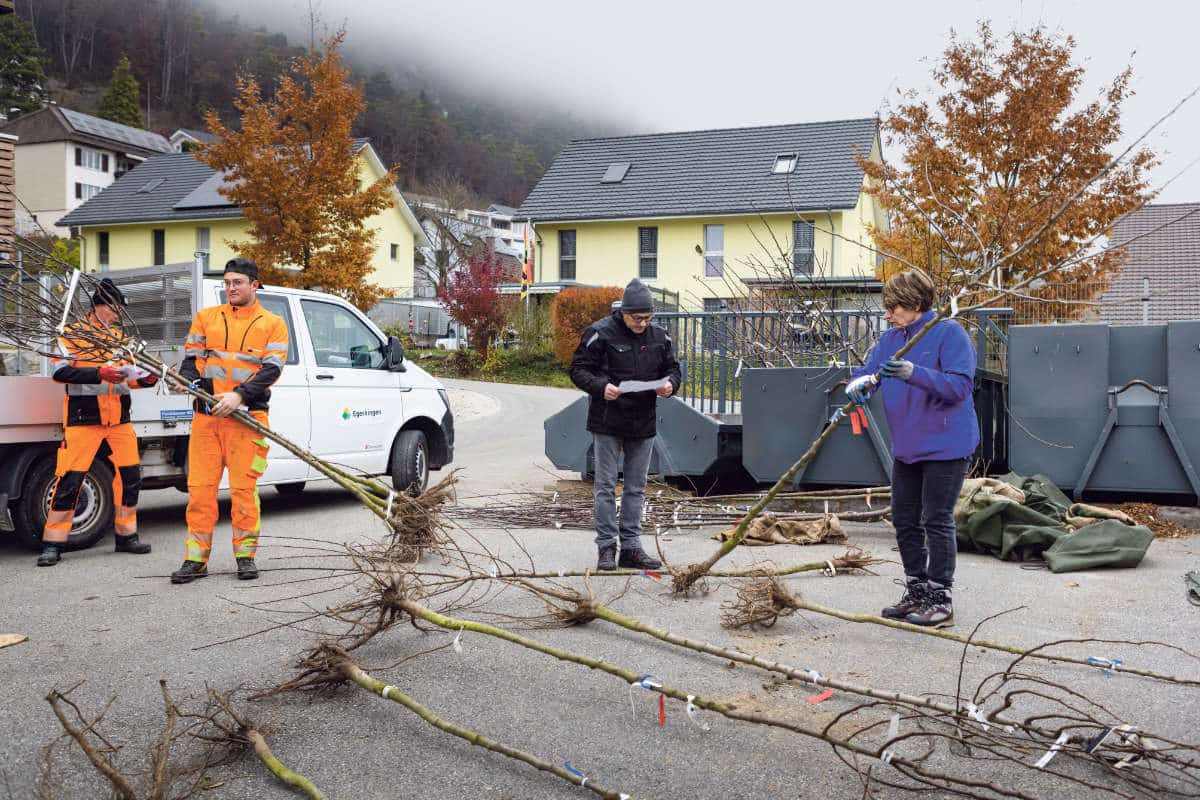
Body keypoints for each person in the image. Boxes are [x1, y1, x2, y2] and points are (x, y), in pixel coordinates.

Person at [846, 270, 978, 627]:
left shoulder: (949, 333)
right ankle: (917, 590)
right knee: (904, 519)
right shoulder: (891, 339)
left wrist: (913, 373)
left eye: (894, 308)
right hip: (907, 445)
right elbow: (872, 373)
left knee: (936, 519)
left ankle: (940, 597)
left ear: (915, 304)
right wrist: (860, 385)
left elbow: (959, 386)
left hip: (946, 445)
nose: (888, 315)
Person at [170, 258, 288, 584]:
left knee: (243, 491)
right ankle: (196, 560)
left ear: (254, 285)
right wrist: (185, 379)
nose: (231, 288)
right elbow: (193, 359)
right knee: (200, 492)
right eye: (227, 282)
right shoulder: (207, 318)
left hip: (247, 418)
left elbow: (272, 368)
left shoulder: (273, 323)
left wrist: (239, 396)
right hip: (206, 419)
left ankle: (245, 557)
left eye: (237, 282)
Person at [38, 278, 157, 566]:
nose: (118, 316)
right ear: (99, 306)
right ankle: (53, 544)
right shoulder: (71, 335)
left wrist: (147, 380)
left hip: (118, 420)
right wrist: (99, 374)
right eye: (116, 309)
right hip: (83, 420)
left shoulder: (120, 339)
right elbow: (60, 373)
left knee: (130, 479)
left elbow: (127, 380)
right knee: (70, 480)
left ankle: (126, 536)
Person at [569, 278, 681, 571]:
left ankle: (631, 548)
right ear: (624, 312)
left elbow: (673, 369)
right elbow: (578, 369)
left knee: (636, 487)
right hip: (608, 420)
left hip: (642, 422)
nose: (643, 323)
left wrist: (670, 384)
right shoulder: (600, 333)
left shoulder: (660, 336)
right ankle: (606, 547)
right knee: (605, 485)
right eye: (637, 318)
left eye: (648, 318)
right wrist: (600, 386)